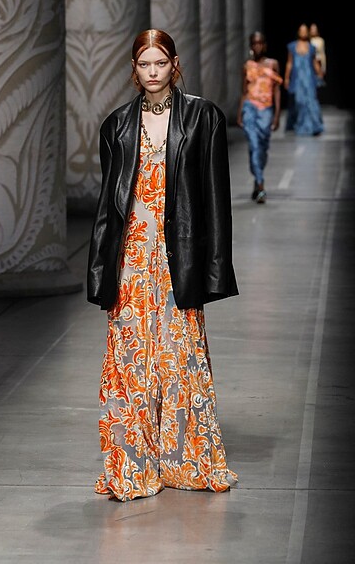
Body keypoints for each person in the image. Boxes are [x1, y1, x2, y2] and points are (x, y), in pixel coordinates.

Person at [87, 29, 239, 502]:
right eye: (144, 63)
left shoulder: (203, 117)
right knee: (130, 355)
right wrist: (99, 269)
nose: (153, 71)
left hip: (179, 256)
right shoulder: (116, 125)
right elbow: (109, 205)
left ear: (175, 64)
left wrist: (216, 267)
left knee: (178, 353)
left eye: (160, 62)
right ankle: (133, 464)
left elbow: (216, 199)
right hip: (132, 257)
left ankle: (184, 460)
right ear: (134, 70)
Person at [237, 31, 282, 204]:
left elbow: (276, 90)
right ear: (251, 46)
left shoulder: (273, 64)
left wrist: (277, 115)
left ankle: (257, 179)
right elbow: (244, 91)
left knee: (261, 148)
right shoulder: (247, 66)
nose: (257, 46)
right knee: (254, 146)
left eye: (260, 43)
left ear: (265, 45)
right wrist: (240, 113)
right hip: (250, 108)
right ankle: (261, 185)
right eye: (254, 43)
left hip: (266, 109)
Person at [284, 23, 324, 136]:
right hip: (297, 78)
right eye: (301, 30)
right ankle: (301, 124)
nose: (303, 32)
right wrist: (286, 78)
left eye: (305, 30)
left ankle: (314, 125)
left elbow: (314, 62)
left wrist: (319, 72)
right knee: (299, 101)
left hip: (309, 78)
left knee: (311, 101)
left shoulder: (311, 47)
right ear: (298, 32)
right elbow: (289, 63)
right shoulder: (292, 46)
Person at [309, 22, 326, 87]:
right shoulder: (308, 40)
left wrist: (323, 67)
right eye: (312, 29)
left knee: (318, 82)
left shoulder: (321, 40)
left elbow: (322, 54)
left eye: (315, 29)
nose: (313, 31)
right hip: (310, 63)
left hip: (319, 61)